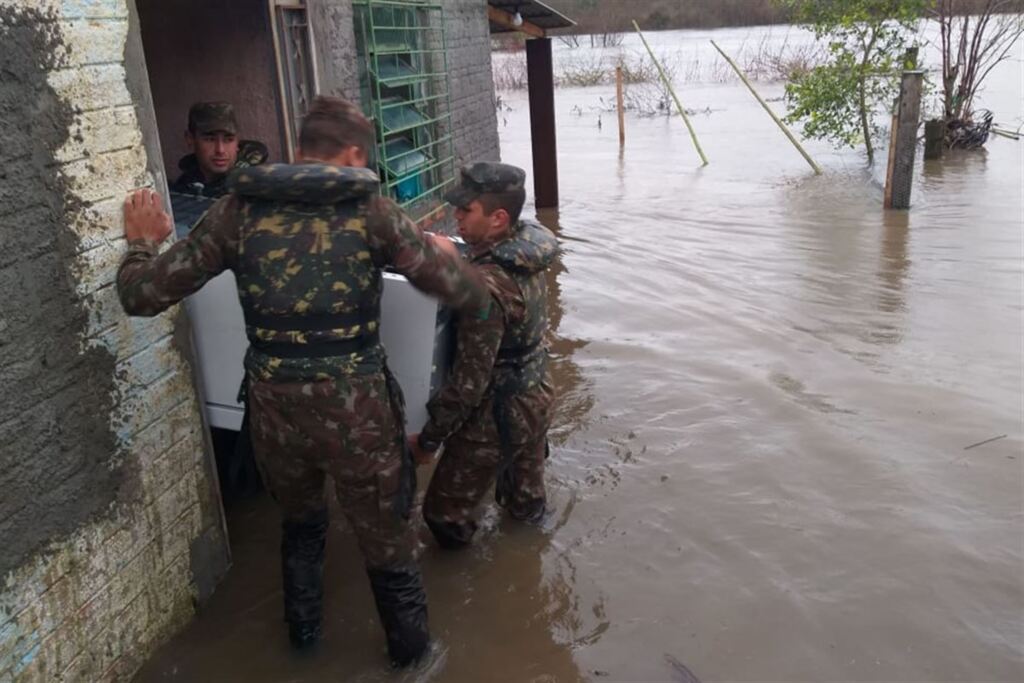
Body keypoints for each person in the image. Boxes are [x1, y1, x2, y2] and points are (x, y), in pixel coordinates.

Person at [116, 97, 491, 665]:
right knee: (387, 545)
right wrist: (445, 255)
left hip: (274, 414)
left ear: (299, 151)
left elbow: (140, 295)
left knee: (301, 526)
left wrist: (142, 241)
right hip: (359, 415)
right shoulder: (371, 210)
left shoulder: (236, 212)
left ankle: (303, 648)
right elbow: (467, 295)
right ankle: (414, 662)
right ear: (353, 154)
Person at [409, 162, 558, 549]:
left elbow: (468, 385)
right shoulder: (528, 245)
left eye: (466, 210)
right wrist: (456, 257)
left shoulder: (488, 292)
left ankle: (474, 584)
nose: (455, 216)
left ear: (498, 218)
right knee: (525, 502)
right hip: (536, 392)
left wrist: (428, 441)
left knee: (442, 514)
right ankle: (531, 569)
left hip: (499, 412)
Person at [169, 102, 268, 198]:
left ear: (237, 141)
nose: (220, 150)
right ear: (190, 139)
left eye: (228, 140)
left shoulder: (256, 184)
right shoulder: (182, 190)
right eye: (210, 139)